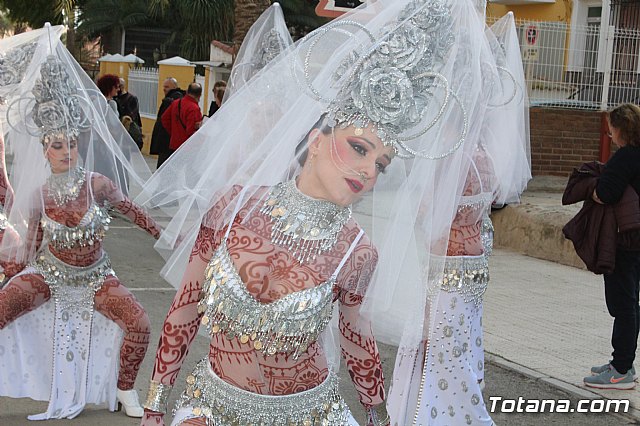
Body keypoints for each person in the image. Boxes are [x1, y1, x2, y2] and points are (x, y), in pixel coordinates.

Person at [135, 1, 494, 425]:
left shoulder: (356, 251)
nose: (368, 170)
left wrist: (378, 418)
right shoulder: (232, 206)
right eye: (360, 148)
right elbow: (185, 304)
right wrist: (156, 403)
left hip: (309, 414)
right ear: (317, 138)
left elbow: (357, 342)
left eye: (381, 164)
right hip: (211, 408)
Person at [0, 25, 160, 420]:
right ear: (44, 150)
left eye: (71, 143)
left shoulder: (99, 184)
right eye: (57, 145)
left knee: (139, 322)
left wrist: (162, 231)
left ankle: (124, 390)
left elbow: (130, 210)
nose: (66, 151)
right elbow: (31, 245)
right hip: (50, 275)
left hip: (95, 277)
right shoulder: (39, 196)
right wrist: (11, 272)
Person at [386, 10, 530, 425]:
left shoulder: (449, 160)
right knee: (462, 347)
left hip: (445, 268)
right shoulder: (486, 158)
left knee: (438, 351)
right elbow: (488, 210)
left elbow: (432, 220)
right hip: (473, 269)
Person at [584, 103, 640, 390]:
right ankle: (623, 362)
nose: (608, 132)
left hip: (624, 241)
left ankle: (620, 370)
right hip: (637, 240)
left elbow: (606, 193)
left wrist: (592, 191)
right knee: (631, 300)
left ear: (621, 129)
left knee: (623, 303)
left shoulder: (626, 158)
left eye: (611, 127)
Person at [160, 82, 203, 159]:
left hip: (174, 144)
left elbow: (164, 118)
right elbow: (191, 131)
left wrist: (173, 132)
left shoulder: (176, 103)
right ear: (199, 95)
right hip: (187, 148)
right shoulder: (194, 108)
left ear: (187, 91)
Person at [150, 77, 185, 169]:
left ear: (174, 87)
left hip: (167, 142)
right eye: (164, 86)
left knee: (164, 169)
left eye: (167, 86)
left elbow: (165, 120)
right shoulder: (176, 99)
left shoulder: (171, 100)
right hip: (169, 142)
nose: (164, 89)